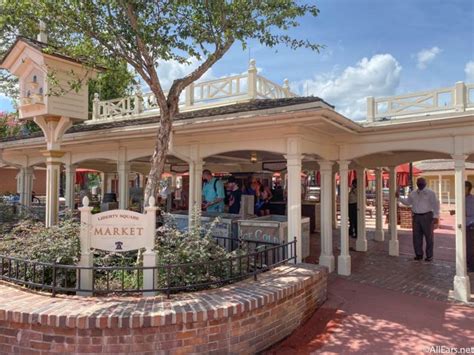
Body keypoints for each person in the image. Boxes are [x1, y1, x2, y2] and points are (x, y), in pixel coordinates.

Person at [396, 177, 440, 262]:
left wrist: (436, 217)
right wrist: (399, 197)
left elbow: (436, 205)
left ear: (425, 183)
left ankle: (429, 256)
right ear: (416, 183)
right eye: (418, 182)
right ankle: (419, 254)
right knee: (416, 237)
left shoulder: (431, 193)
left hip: (427, 216)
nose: (420, 183)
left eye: (422, 182)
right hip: (416, 217)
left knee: (429, 237)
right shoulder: (413, 193)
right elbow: (407, 202)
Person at [450, 181, 474, 272]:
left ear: (468, 188)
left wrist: (459, 211)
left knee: (470, 247)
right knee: (465, 246)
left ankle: (471, 267)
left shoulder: (471, 199)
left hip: (471, 225)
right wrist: (455, 211)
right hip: (465, 225)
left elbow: (469, 212)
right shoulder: (463, 198)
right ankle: (468, 264)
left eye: (464, 188)